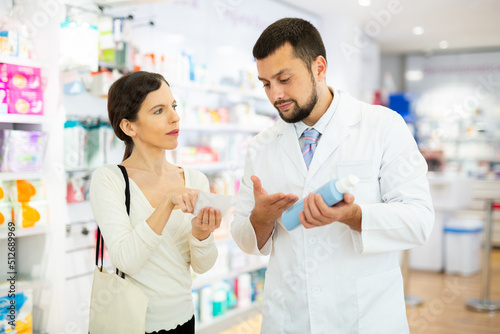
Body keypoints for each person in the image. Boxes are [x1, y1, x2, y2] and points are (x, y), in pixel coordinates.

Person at [231, 18, 434, 333]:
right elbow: (244, 237)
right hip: (290, 316)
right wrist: (260, 220)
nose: (275, 94)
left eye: (284, 78)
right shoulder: (261, 147)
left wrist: (353, 215)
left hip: (363, 316)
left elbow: (419, 222)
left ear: (319, 67)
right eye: (266, 83)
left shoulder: (383, 126)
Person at [89, 71, 222, 334]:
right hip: (132, 324)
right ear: (129, 126)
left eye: (173, 106)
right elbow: (126, 260)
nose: (175, 117)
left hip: (184, 319)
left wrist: (202, 235)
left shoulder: (195, 180)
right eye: (159, 110)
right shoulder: (109, 180)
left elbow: (202, 266)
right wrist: (166, 203)